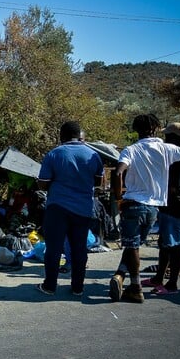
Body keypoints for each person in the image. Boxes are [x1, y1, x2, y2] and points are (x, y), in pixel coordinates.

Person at [109, 114, 180, 303]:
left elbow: (117, 173)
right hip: (154, 208)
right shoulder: (166, 149)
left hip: (133, 204)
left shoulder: (131, 150)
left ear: (135, 129)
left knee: (132, 246)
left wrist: (118, 197)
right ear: (155, 129)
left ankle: (135, 287)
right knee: (134, 246)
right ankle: (120, 275)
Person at [35, 121, 104, 296]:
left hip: (57, 207)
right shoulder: (93, 155)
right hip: (83, 208)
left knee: (54, 248)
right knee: (79, 248)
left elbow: (42, 184)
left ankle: (50, 286)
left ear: (62, 135)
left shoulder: (54, 154)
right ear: (79, 135)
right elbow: (99, 182)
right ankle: (77, 288)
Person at [141, 123, 180, 295]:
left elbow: (174, 187)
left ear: (175, 138)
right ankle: (159, 278)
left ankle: (172, 284)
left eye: (168, 136)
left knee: (174, 246)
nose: (165, 139)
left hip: (176, 207)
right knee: (165, 245)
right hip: (176, 207)